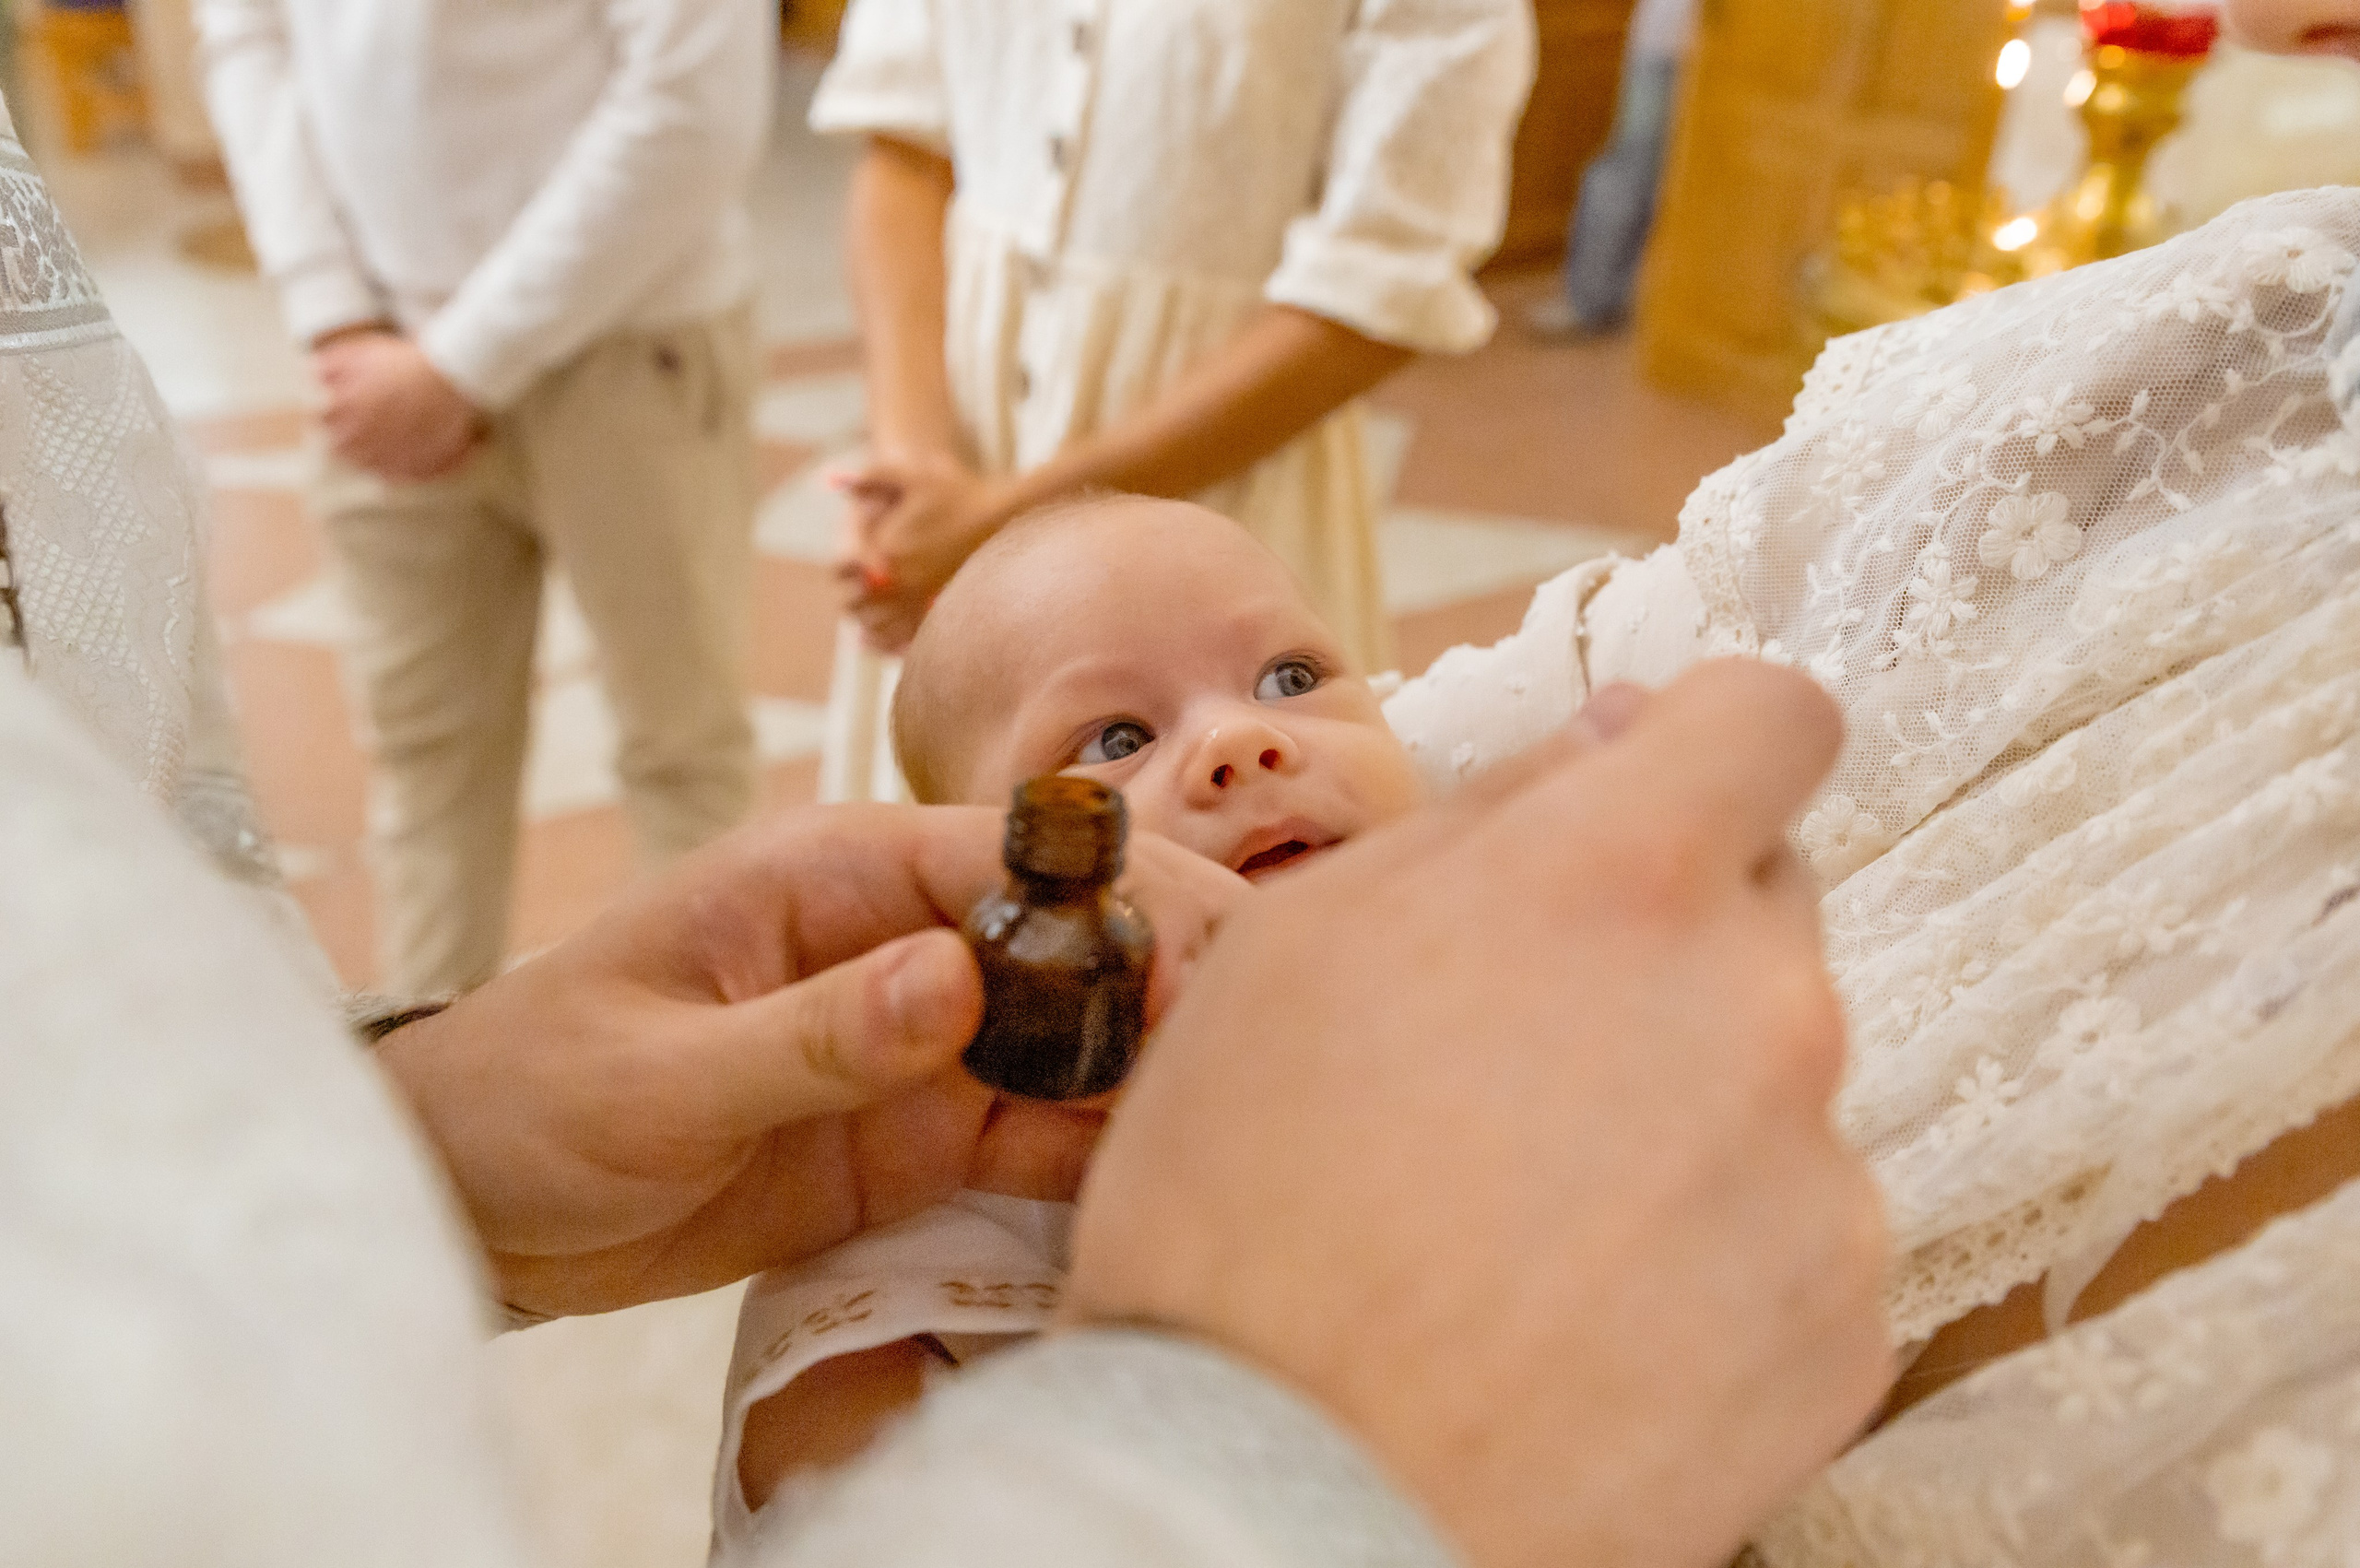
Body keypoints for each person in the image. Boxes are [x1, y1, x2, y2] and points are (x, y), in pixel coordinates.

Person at [721, 498, 1428, 1527]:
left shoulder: (1474, 989)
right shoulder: (935, 1204)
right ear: (977, 881)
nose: (1243, 737)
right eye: (1117, 738)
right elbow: (833, 1497)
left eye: (1291, 676)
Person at [808, 0, 1535, 801]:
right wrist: (918, 462)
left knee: (1246, 830)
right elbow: (905, 149)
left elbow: (1379, 288)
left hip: (1222, 475)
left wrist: (993, 521)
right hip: (964, 430)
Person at [196, 0, 774, 996]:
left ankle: (709, 1093)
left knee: (682, 750)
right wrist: (330, 312)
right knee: (426, 776)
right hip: (375, 344)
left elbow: (694, 104)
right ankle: (428, 1109)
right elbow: (246, 37)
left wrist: (463, 366)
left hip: (631, 340)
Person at [1526, 0, 1699, 339]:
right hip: (1667, 50)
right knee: (1630, 171)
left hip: (1726, 63)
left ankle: (1624, 299)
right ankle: (1592, 300)